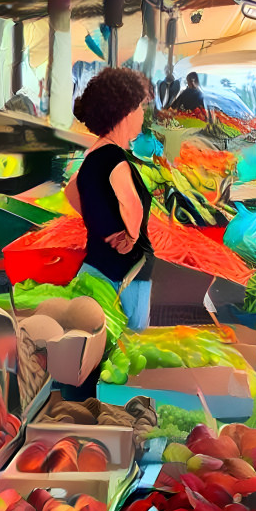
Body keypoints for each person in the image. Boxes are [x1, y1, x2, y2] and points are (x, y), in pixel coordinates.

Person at [66, 68, 155, 330]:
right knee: (130, 338)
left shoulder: (95, 152)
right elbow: (132, 207)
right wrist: (130, 236)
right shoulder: (116, 158)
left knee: (92, 335)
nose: (142, 115)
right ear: (125, 112)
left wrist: (102, 225)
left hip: (96, 263)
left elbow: (72, 191)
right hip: (127, 271)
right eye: (140, 107)